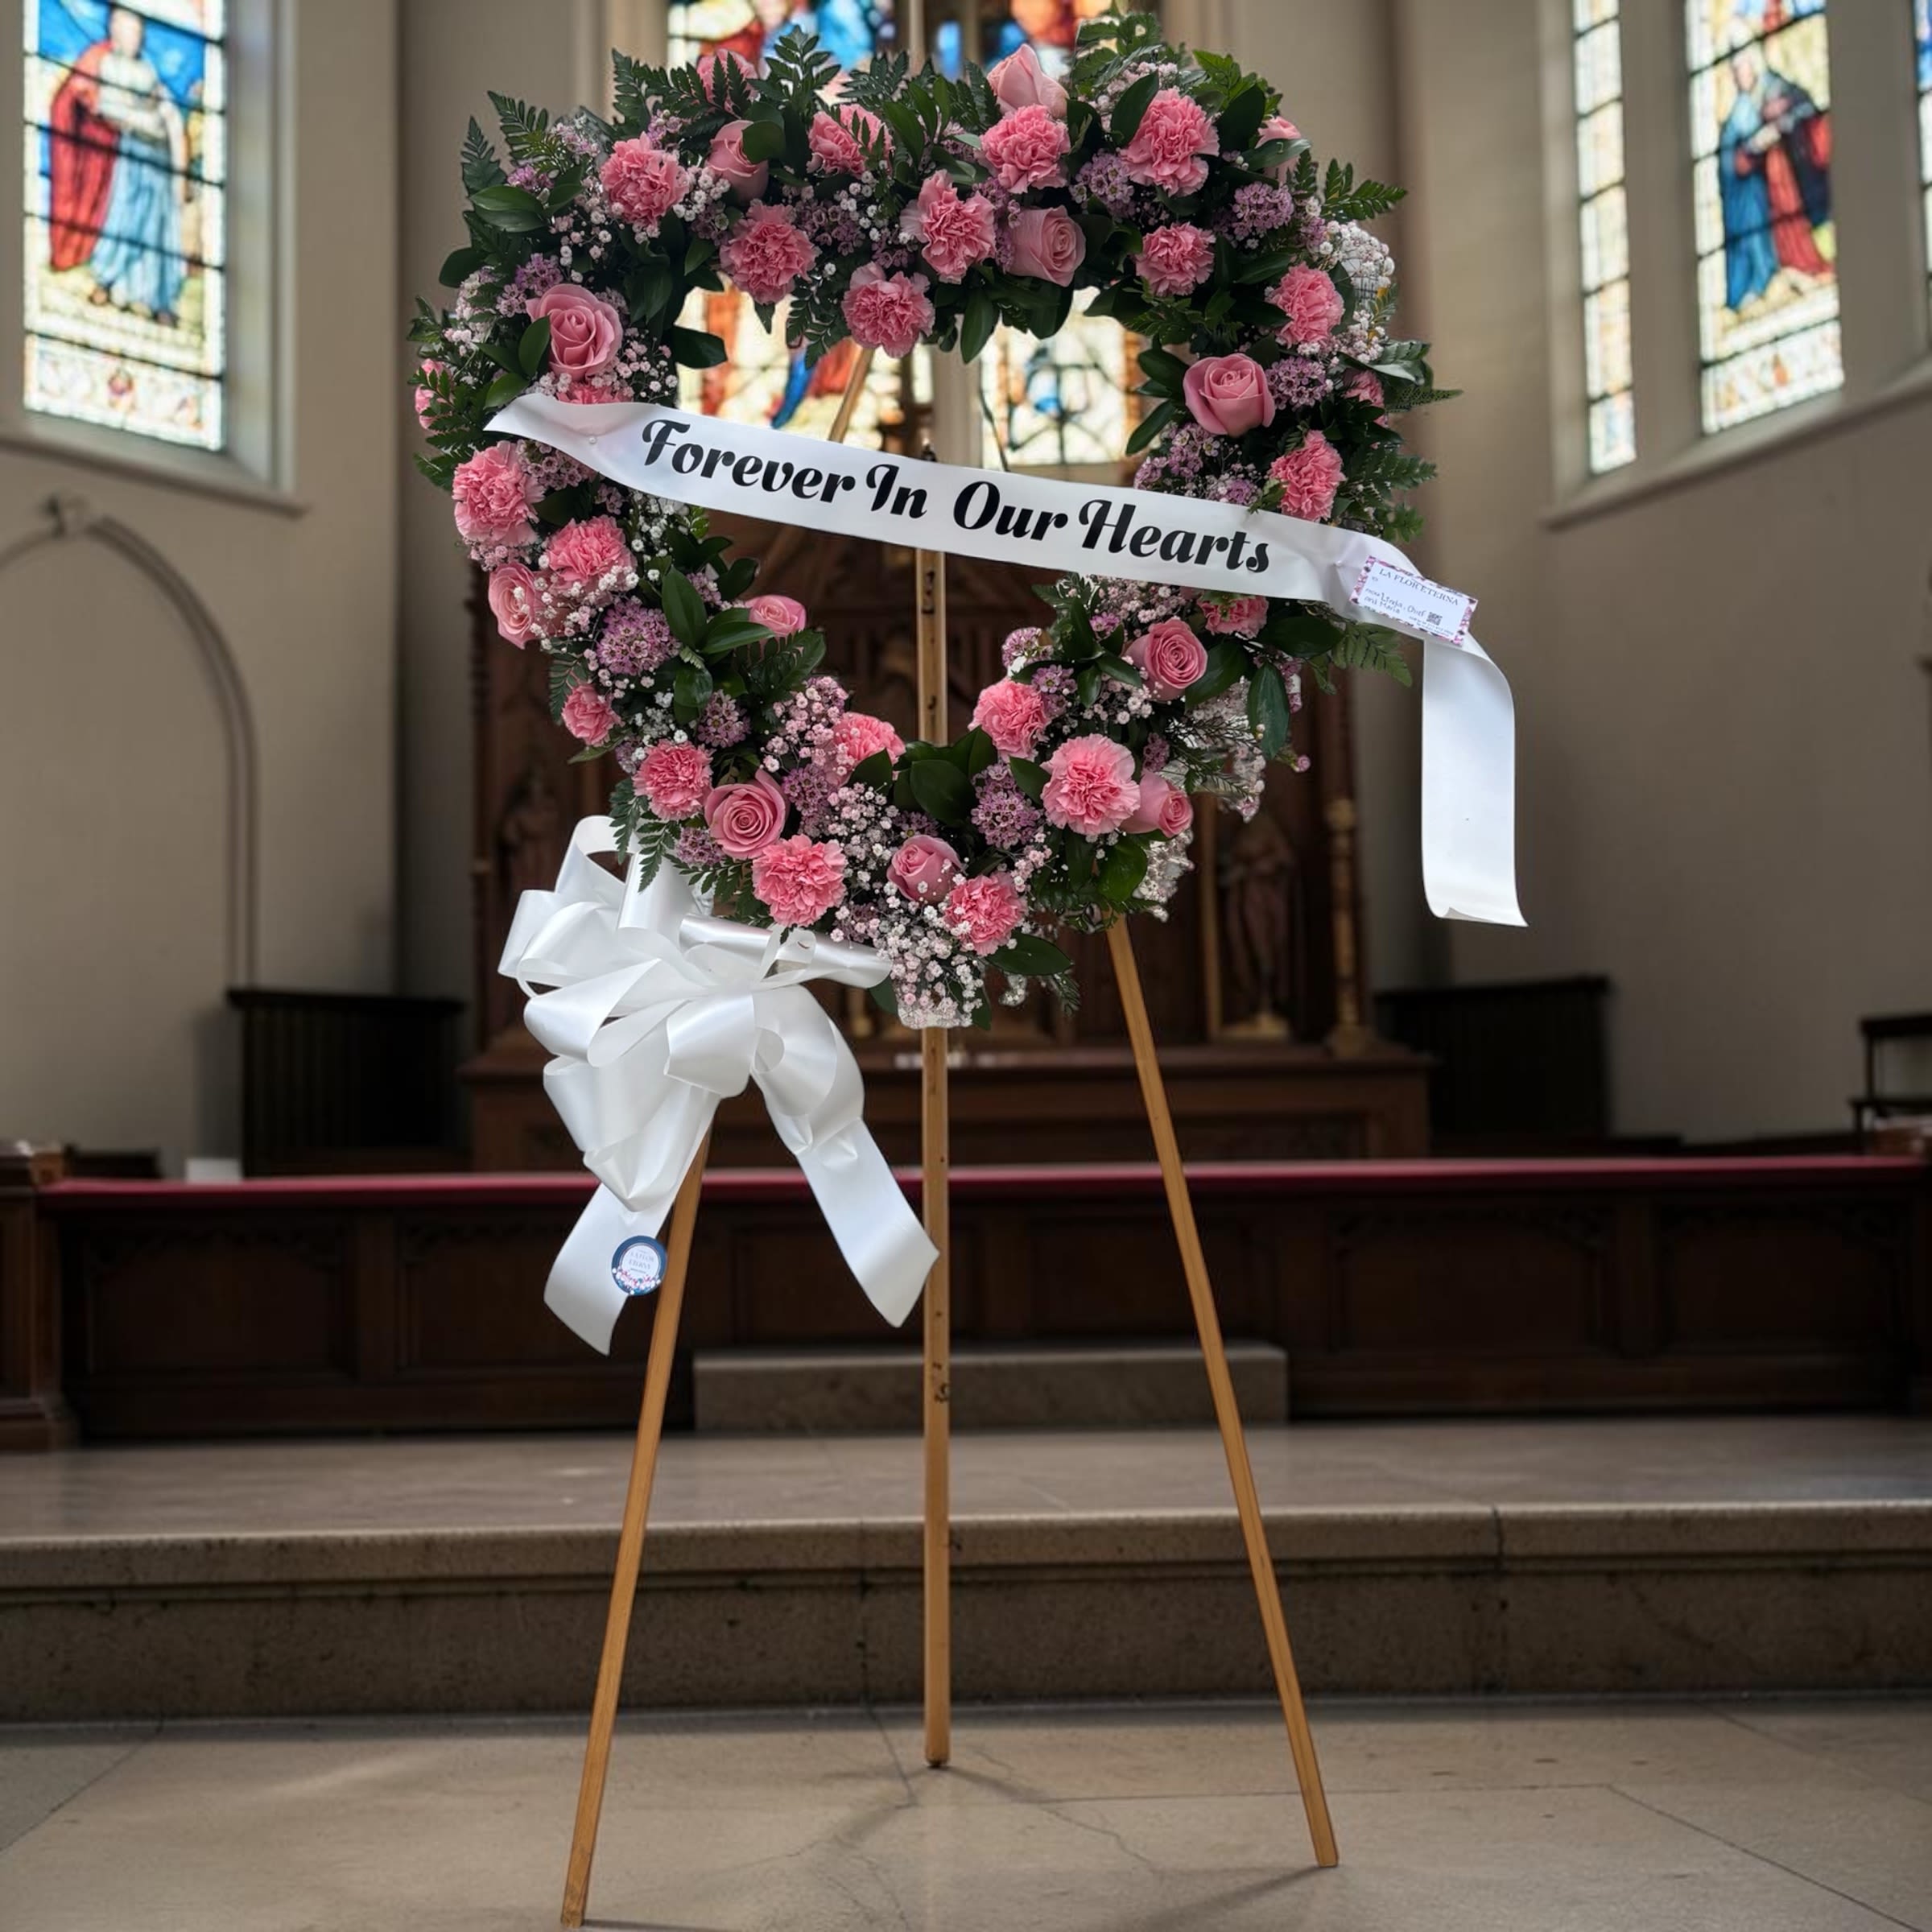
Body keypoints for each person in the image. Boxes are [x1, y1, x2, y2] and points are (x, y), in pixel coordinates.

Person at [85, 8, 190, 326]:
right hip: (132, 157)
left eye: (137, 30)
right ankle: (107, 281)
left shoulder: (148, 71)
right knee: (125, 219)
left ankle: (160, 300)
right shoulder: (110, 66)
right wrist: (149, 121)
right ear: (114, 32)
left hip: (157, 161)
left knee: (158, 227)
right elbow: (110, 108)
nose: (134, 36)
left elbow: (167, 115)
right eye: (127, 29)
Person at [1717, 31, 1831, 315]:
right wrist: (1750, 150)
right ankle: (1758, 282)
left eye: (1741, 68)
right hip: (1754, 197)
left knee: (1790, 224)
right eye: (1734, 70)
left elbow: (1802, 109)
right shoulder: (1738, 113)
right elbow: (1732, 158)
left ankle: (1800, 267)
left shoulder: (1775, 87)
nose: (1738, 75)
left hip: (1785, 179)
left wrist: (1780, 123)